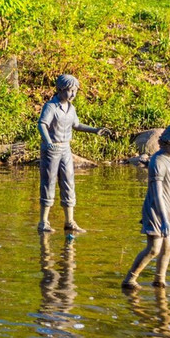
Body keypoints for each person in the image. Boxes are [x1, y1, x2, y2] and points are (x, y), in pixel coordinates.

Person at [122, 123, 170, 290]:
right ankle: (130, 279)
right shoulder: (157, 161)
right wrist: (164, 220)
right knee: (154, 248)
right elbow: (157, 193)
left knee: (169, 247)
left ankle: (159, 280)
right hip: (156, 210)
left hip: (168, 210)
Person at [37, 74, 113, 233]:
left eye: (75, 91)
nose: (73, 94)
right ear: (60, 89)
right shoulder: (51, 107)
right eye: (70, 90)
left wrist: (95, 130)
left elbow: (76, 125)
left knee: (68, 182)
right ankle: (43, 222)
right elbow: (42, 124)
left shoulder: (71, 108)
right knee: (49, 182)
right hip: (51, 150)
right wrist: (48, 142)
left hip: (66, 149)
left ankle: (69, 221)